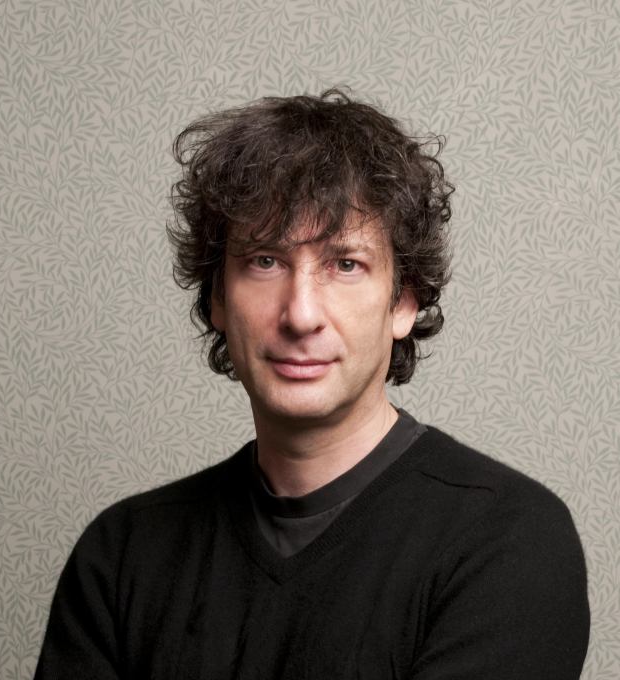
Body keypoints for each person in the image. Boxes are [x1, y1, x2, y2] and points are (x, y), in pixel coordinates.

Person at [34, 88, 590, 679]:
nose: (301, 314)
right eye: (265, 261)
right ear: (217, 297)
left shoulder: (509, 539)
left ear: (404, 302)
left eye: (345, 264)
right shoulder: (122, 554)